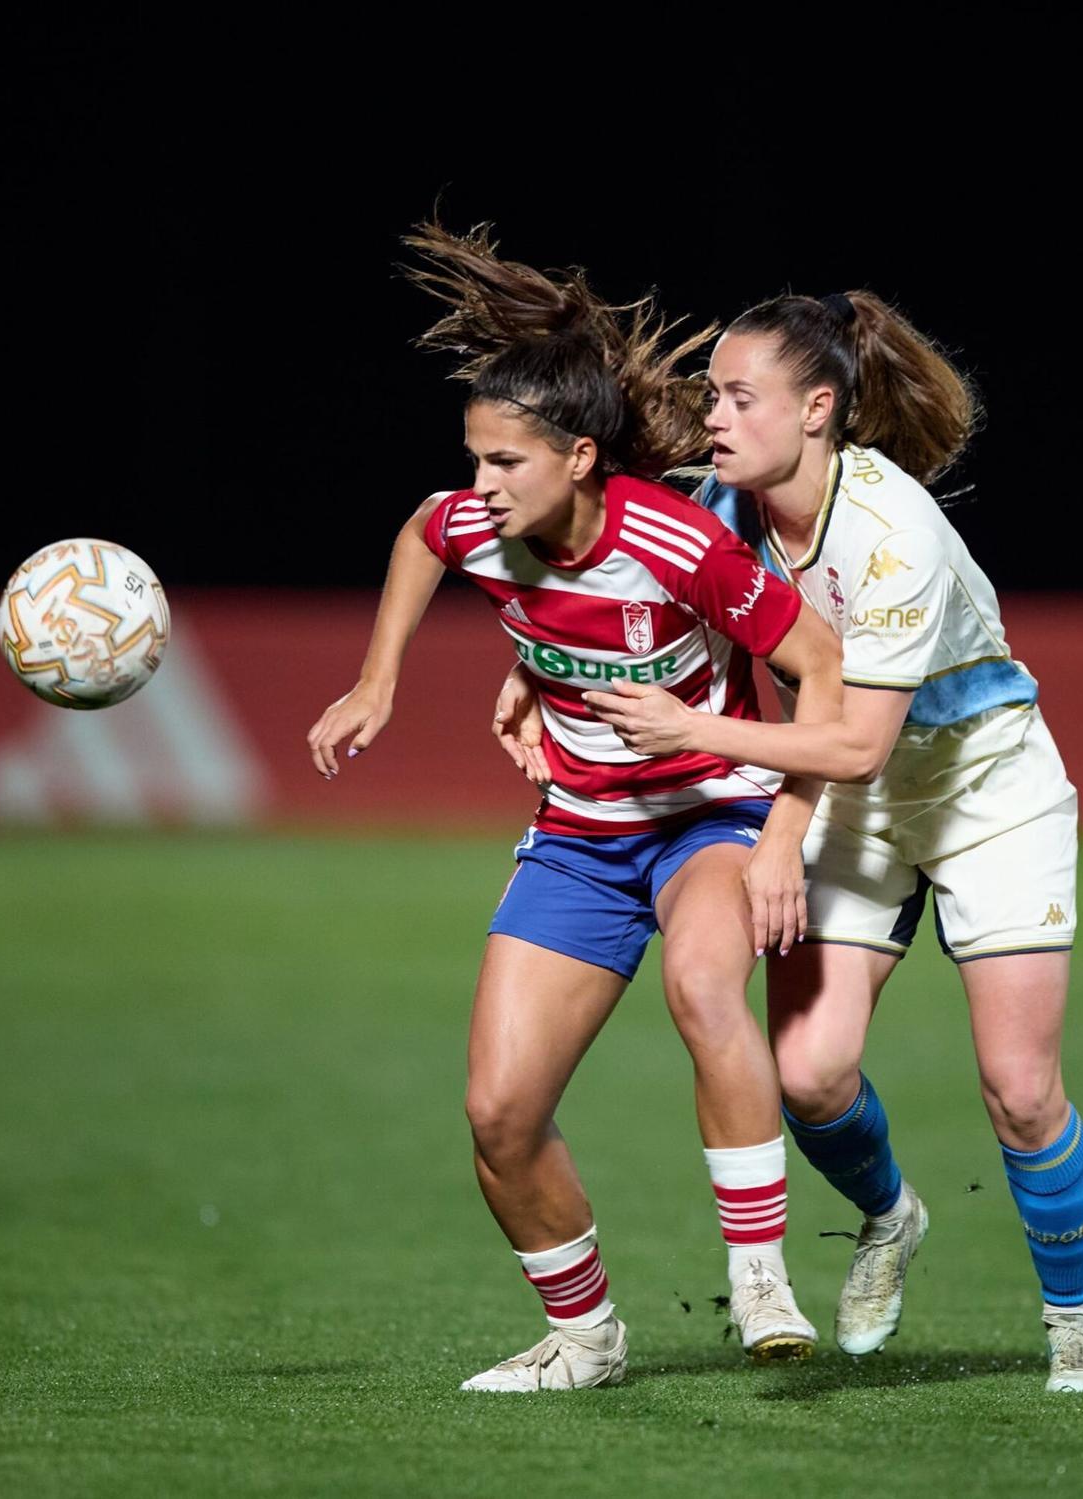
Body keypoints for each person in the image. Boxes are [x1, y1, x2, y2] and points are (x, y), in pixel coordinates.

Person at [306, 226, 844, 1391]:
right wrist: (378, 677)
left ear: (582, 457)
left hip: (710, 812)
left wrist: (786, 825)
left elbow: (820, 659)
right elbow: (416, 534)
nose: (478, 486)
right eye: (475, 458)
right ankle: (587, 1336)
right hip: (583, 833)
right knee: (499, 1110)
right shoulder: (474, 529)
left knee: (703, 982)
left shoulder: (675, 540)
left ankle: (759, 1275)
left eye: (504, 463)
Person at [567, 289, 1083, 1394]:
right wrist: (524, 681)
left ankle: (1075, 1321)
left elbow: (857, 742)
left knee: (1018, 1086)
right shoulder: (722, 506)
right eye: (713, 393)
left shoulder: (888, 531)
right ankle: (889, 1214)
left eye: (739, 396)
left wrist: (709, 754)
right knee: (811, 1075)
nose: (712, 416)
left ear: (819, 407)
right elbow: (616, 586)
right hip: (848, 797)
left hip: (982, 787)